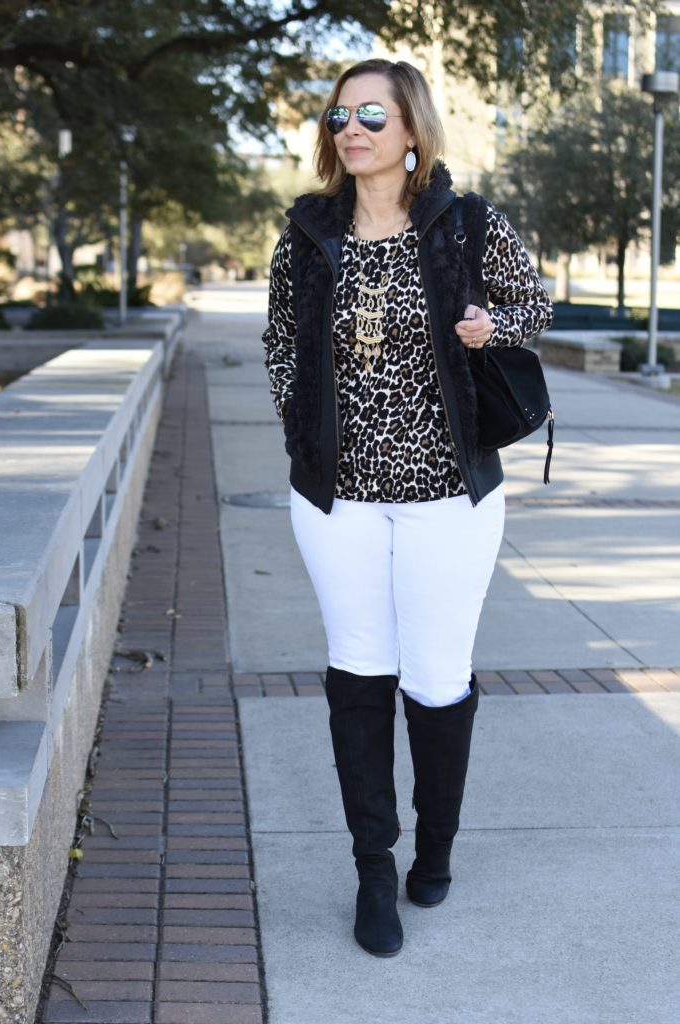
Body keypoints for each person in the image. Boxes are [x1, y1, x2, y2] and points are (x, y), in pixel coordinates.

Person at [262, 58, 552, 959]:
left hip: (448, 501)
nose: (350, 129)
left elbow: (536, 301)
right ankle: (373, 872)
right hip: (336, 500)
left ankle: (436, 851)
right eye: (339, 115)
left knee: (434, 679)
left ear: (411, 133)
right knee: (357, 673)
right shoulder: (307, 232)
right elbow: (278, 340)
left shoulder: (465, 224)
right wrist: (303, 426)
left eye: (370, 117)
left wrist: (487, 326)